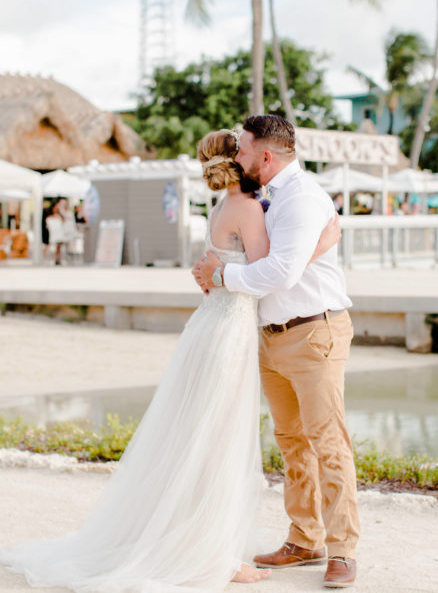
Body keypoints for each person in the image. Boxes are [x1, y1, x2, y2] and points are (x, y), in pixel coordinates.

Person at [0, 128, 339, 591]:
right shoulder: (249, 209)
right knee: (219, 444)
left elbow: (227, 265)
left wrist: (215, 272)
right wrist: (325, 238)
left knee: (198, 438)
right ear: (244, 162)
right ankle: (213, 554)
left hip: (213, 328)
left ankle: (201, 540)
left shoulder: (225, 208)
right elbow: (272, 273)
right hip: (230, 335)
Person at [192, 115, 359, 589]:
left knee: (328, 444)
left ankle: (343, 550)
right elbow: (262, 261)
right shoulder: (262, 197)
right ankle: (305, 537)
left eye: (242, 149)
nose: (236, 155)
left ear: (266, 156)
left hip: (313, 332)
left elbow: (281, 273)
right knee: (291, 442)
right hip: (270, 333)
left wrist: (221, 275)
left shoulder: (302, 198)